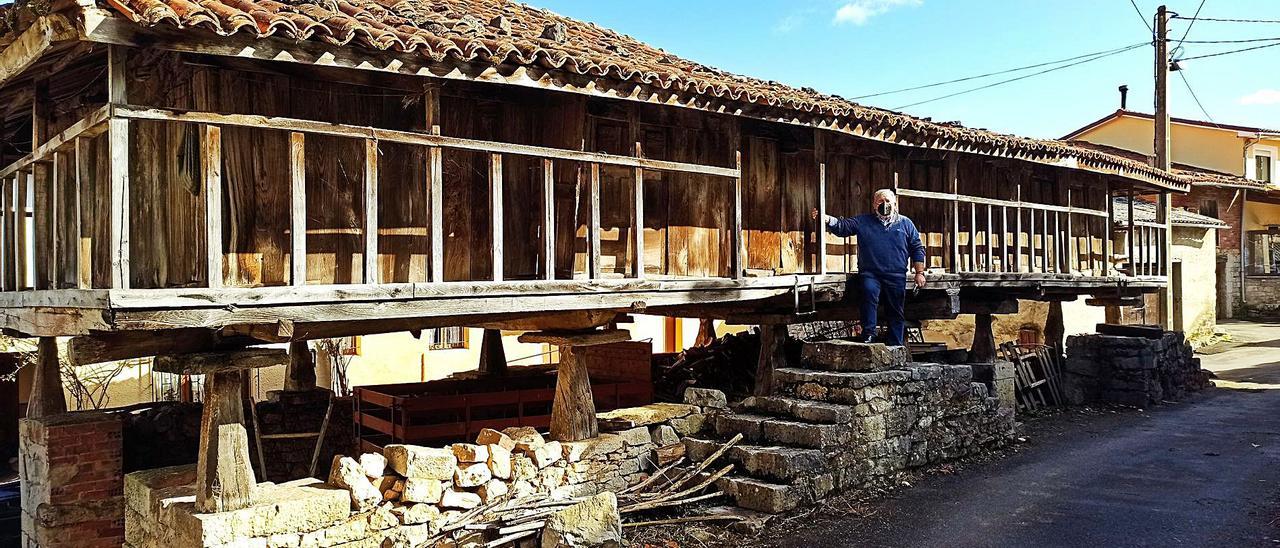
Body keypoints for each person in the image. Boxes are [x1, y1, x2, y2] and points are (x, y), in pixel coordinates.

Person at [810, 189, 926, 346]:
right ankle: (869, 335)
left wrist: (920, 272)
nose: (884, 205)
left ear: (895, 204)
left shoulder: (906, 224)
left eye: (887, 201)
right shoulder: (864, 221)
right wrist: (826, 219)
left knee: (896, 309)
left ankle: (896, 344)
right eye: (880, 201)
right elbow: (844, 227)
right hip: (871, 273)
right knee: (868, 296)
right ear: (873, 204)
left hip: (896, 274)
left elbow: (917, 248)